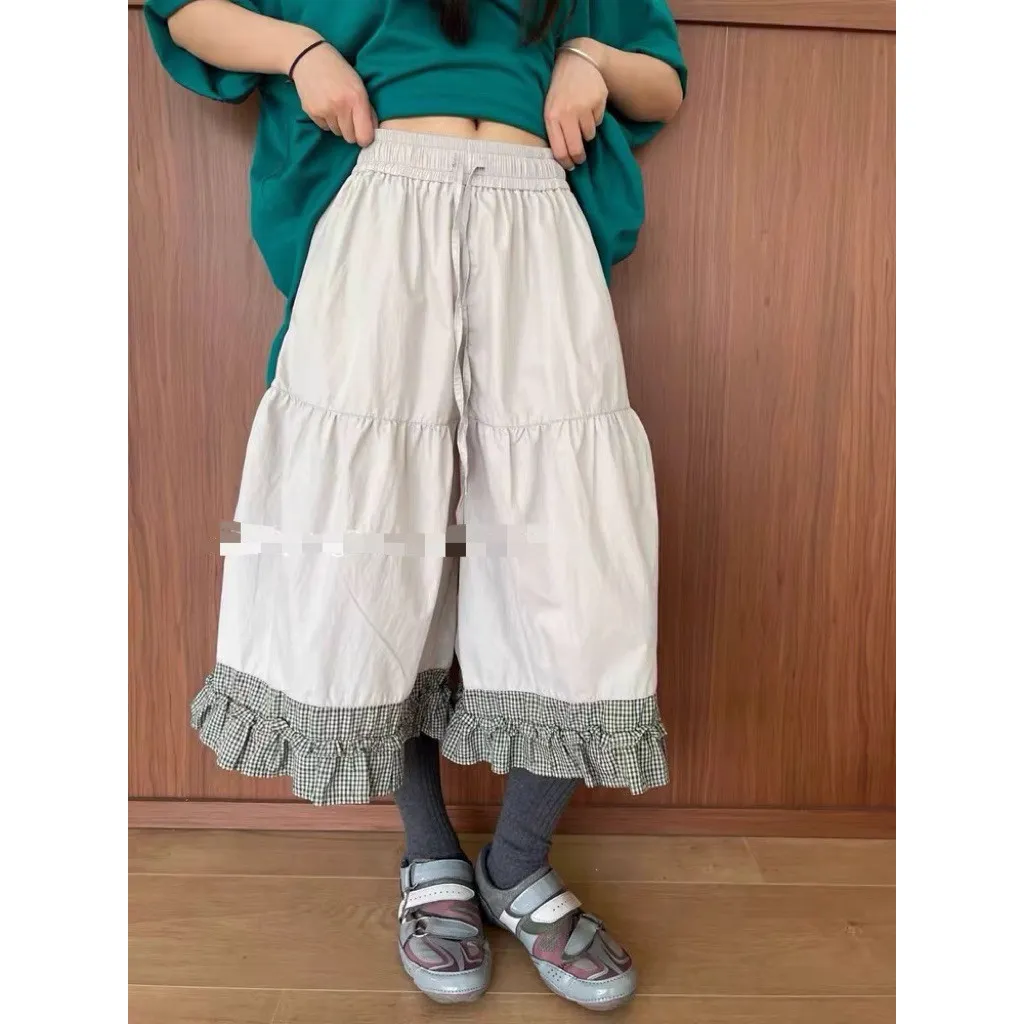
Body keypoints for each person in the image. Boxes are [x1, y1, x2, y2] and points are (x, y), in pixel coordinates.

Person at [144, 0, 685, 1011]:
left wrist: (590, 58)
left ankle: (517, 862)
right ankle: (430, 856)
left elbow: (663, 82)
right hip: (381, 211)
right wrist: (301, 51)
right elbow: (190, 14)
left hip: (538, 223)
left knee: (569, 548)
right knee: (375, 545)